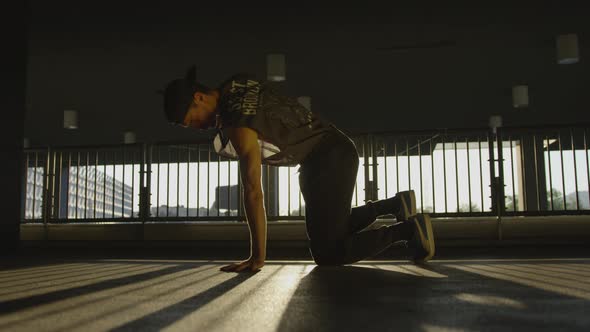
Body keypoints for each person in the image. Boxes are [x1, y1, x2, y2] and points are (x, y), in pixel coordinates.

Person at [162, 66, 435, 272]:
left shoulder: (236, 124)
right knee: (331, 231)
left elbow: (253, 191)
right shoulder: (237, 82)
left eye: (192, 121)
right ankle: (394, 204)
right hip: (328, 153)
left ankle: (409, 231)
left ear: (199, 97)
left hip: (327, 159)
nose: (199, 127)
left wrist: (257, 258)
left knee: (328, 253)